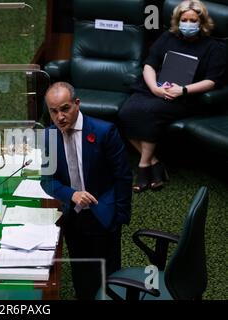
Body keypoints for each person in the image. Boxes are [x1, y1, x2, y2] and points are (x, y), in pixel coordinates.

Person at [118, 0, 226, 193]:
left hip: (185, 97)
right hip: (155, 89)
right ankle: (155, 163)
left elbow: (212, 81)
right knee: (126, 111)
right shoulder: (167, 37)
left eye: (193, 20)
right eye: (184, 19)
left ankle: (143, 167)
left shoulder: (213, 47)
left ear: (201, 23)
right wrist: (154, 88)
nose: (188, 24)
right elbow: (149, 64)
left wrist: (183, 90)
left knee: (150, 113)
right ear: (178, 20)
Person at [41, 82, 132, 300]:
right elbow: (47, 181)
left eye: (65, 109)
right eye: (54, 111)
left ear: (77, 104)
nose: (60, 117)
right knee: (80, 270)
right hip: (73, 215)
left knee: (108, 272)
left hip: (104, 214)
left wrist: (119, 217)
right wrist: (71, 194)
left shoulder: (104, 131)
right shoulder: (48, 137)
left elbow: (123, 176)